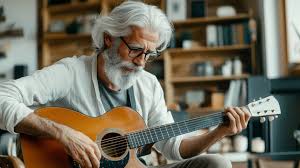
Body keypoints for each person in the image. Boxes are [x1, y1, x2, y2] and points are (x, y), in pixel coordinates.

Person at [0, 1, 250, 168]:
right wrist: (62, 133)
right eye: (135, 49)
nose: (142, 62)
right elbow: (2, 96)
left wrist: (219, 132)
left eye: (150, 54)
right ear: (109, 39)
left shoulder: (149, 85)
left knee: (217, 164)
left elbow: (173, 148)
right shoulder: (71, 72)